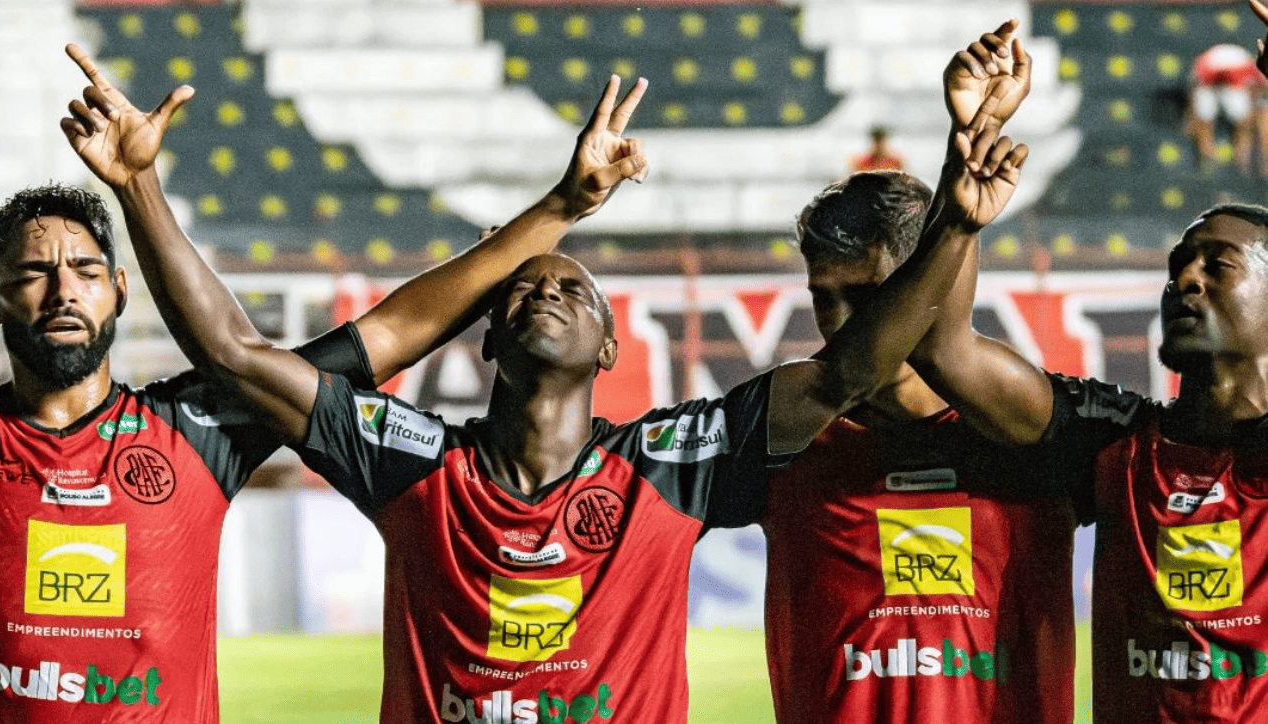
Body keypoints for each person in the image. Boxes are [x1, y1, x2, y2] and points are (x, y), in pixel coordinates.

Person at [58, 32, 1030, 724]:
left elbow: (852, 366)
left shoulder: (672, 463)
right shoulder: (411, 460)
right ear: (485, 335)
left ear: (611, 345)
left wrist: (957, 208)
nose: (551, 288)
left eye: (575, 284)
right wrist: (138, 184)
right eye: (524, 286)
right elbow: (233, 353)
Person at [0, 52, 647, 724]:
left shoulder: (195, 433)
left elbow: (387, 335)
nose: (65, 291)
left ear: (120, 292)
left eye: (88, 271)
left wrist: (566, 204)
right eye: (35, 271)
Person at [899, 2, 1268, 721]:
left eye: (1217, 264)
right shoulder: (1113, 444)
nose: (1184, 281)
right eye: (1176, 267)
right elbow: (941, 349)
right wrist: (965, 177)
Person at [758, 23, 1075, 724]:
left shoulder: (1037, 436)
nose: (840, 322)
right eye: (823, 295)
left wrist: (978, 135)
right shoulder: (783, 440)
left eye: (868, 296)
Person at [1187, 42, 1262, 175]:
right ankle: (1206, 159)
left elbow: (1259, 84)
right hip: (1209, 85)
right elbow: (1196, 85)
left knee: (1244, 120)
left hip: (1233, 84)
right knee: (1204, 121)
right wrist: (1191, 112)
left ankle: (1241, 159)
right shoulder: (1208, 65)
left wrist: (1252, 100)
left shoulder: (1244, 66)